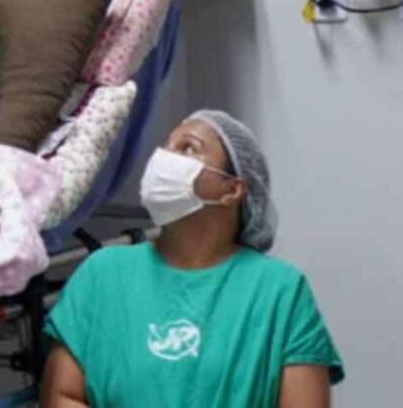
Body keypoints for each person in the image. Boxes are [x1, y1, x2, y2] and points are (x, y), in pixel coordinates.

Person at [40, 110, 343, 408]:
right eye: (166, 145)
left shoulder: (280, 291)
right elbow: (60, 397)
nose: (164, 157)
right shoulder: (102, 273)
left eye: (188, 148)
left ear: (231, 190)